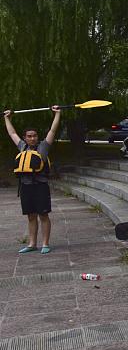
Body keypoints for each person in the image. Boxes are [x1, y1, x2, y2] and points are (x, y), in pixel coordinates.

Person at [4, 106, 61, 254]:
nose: (32, 138)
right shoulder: (22, 147)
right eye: (29, 136)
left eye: (34, 135)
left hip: (40, 186)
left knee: (43, 215)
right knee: (30, 216)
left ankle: (45, 244)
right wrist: (7, 118)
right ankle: (32, 244)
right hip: (26, 187)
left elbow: (52, 131)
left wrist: (57, 114)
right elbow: (11, 133)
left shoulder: (43, 147)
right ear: (25, 138)